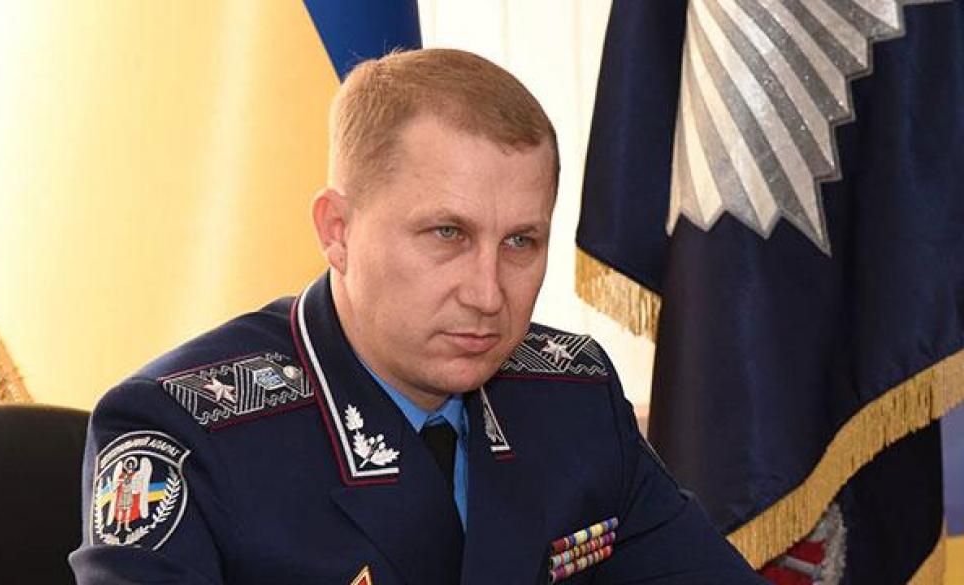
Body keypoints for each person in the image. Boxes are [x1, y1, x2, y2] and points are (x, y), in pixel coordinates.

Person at [70, 48, 764, 584]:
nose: (488, 294)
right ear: (338, 230)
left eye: (521, 242)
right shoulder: (185, 431)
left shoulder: (571, 396)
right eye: (447, 234)